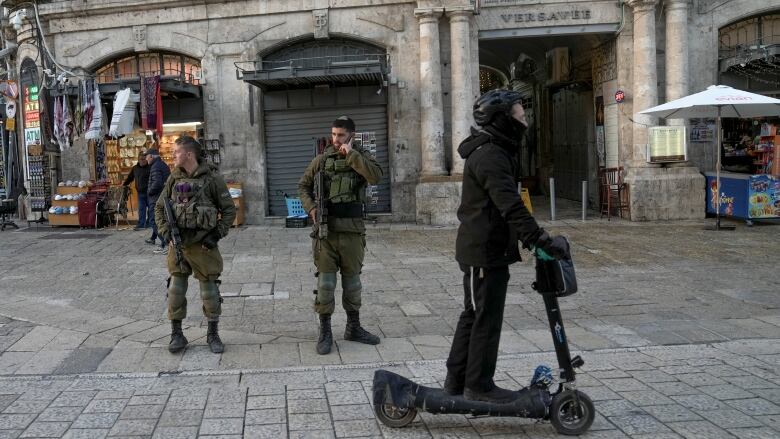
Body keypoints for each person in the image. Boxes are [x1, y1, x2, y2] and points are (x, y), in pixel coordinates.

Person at [444, 89, 571, 404]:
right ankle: (478, 386)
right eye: (520, 115)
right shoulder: (490, 156)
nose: (525, 121)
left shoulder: (497, 150)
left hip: (489, 249)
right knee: (484, 317)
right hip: (483, 251)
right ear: (503, 120)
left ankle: (456, 381)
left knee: (476, 315)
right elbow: (510, 206)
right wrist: (541, 240)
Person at [298, 116, 383, 355]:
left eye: (341, 135)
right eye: (333, 134)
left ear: (351, 136)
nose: (336, 139)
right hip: (326, 231)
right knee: (325, 283)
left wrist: (352, 155)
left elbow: (376, 176)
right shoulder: (322, 160)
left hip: (353, 230)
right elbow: (302, 186)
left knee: (352, 283)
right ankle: (325, 331)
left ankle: (353, 327)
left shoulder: (362, 158)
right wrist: (311, 208)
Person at [154, 136, 236, 354]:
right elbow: (160, 208)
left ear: (189, 154)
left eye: (176, 153)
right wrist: (165, 233)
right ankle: (177, 334)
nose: (173, 157)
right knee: (175, 290)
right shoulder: (173, 178)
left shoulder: (212, 179)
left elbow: (229, 210)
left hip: (203, 245)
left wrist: (216, 235)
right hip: (178, 244)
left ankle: (213, 334)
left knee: (209, 291)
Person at [145, 147, 171, 252]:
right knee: (160, 220)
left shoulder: (155, 167)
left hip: (156, 198)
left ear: (151, 156)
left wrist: (149, 192)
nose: (146, 159)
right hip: (162, 197)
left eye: (146, 156)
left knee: (154, 221)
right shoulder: (162, 164)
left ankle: (166, 243)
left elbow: (157, 183)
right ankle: (160, 240)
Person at [122, 152, 151, 230]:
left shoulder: (150, 167)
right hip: (140, 192)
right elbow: (130, 177)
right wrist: (124, 184)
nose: (142, 161)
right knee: (141, 209)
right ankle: (141, 224)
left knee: (151, 209)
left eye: (144, 159)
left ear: (146, 159)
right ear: (138, 159)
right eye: (141, 159)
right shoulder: (135, 168)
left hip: (149, 192)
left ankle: (150, 223)